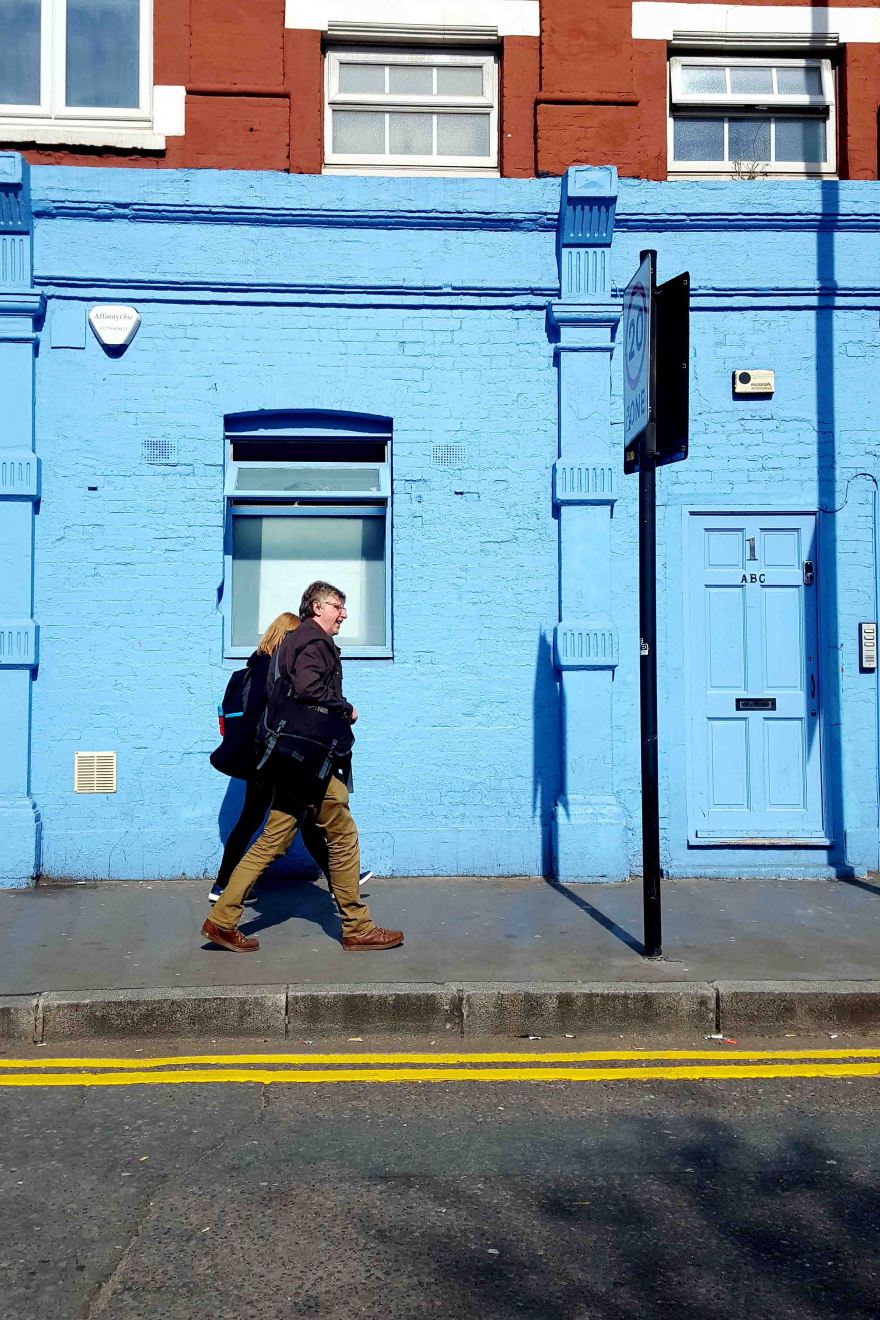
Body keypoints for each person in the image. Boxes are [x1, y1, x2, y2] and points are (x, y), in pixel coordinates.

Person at [202, 581, 403, 953]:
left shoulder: (293, 642)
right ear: (316, 606)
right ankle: (357, 927)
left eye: (343, 607)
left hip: (293, 760)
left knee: (271, 840)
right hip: (311, 762)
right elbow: (310, 689)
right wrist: (346, 709)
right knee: (341, 835)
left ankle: (221, 919)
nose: (343, 613)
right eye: (337, 606)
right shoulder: (313, 641)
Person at [209, 611, 372, 905]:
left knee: (295, 818)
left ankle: (224, 888)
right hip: (269, 757)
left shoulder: (254, 668)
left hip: (257, 757)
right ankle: (225, 889)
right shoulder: (273, 668)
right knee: (278, 822)